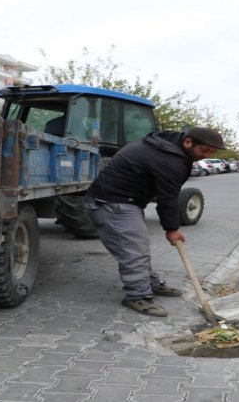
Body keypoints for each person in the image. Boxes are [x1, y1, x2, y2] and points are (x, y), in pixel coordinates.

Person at [85, 127, 225, 317]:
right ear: (188, 142)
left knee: (137, 247)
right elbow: (167, 198)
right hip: (111, 203)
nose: (206, 155)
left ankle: (149, 283)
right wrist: (172, 229)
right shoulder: (168, 158)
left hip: (124, 202)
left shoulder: (169, 147)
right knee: (133, 251)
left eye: (212, 153)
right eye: (204, 150)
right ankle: (137, 296)